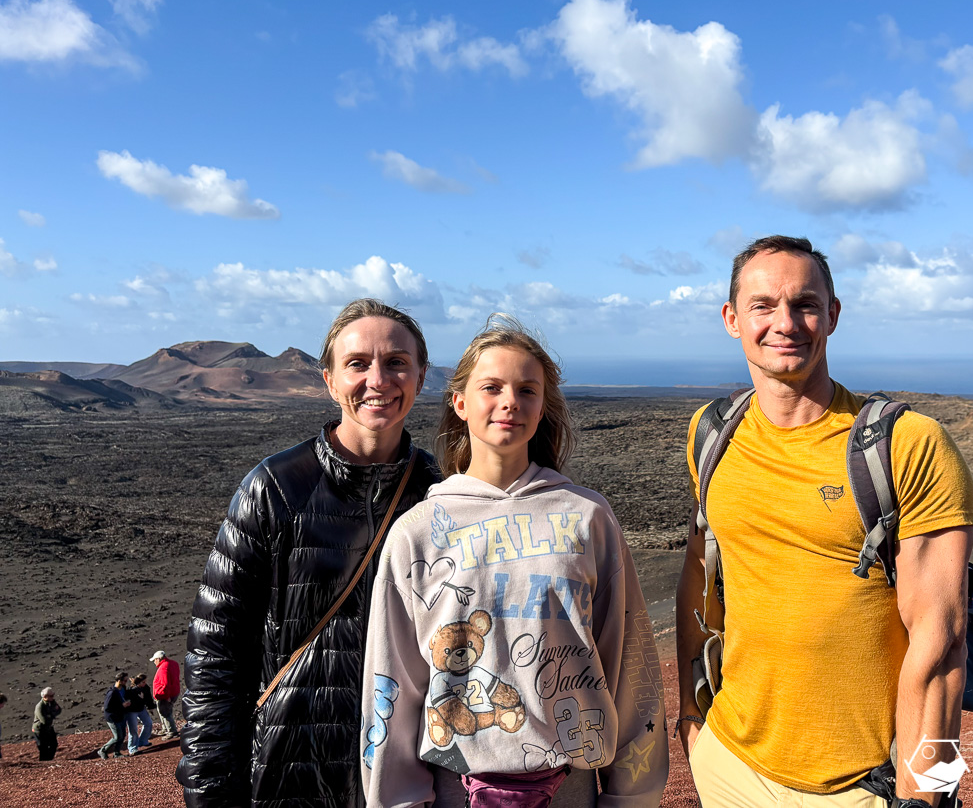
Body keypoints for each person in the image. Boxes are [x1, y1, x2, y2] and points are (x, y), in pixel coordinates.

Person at [675, 236, 973, 808]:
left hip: (862, 788)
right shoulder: (711, 433)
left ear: (833, 315)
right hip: (729, 764)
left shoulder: (909, 445)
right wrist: (693, 718)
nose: (785, 323)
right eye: (763, 305)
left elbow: (942, 647)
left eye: (805, 304)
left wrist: (925, 800)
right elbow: (701, 573)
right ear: (731, 318)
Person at [362, 316, 669, 808]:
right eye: (492, 387)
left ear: (541, 406)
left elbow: (629, 663)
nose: (510, 402)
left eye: (527, 389)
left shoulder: (587, 518)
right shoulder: (417, 533)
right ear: (460, 403)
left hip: (570, 788)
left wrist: (631, 795)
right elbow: (393, 680)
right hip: (452, 792)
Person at [176, 298, 442, 808]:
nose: (378, 380)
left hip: (404, 782)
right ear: (329, 379)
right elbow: (216, 654)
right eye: (358, 363)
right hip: (284, 777)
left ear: (421, 376)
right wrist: (209, 790)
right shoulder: (275, 488)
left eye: (396, 363)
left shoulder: (439, 495)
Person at [100, 672, 131, 759]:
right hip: (113, 717)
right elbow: (107, 708)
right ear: (119, 681)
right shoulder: (112, 693)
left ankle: (117, 753)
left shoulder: (123, 688)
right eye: (125, 680)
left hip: (121, 715)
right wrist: (122, 706)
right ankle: (103, 750)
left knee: (123, 735)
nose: (126, 682)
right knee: (117, 736)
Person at [150, 650, 180, 737]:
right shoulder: (173, 663)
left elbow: (165, 684)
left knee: (165, 713)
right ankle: (165, 728)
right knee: (163, 711)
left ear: (159, 659)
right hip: (174, 691)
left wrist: (166, 696)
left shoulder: (164, 668)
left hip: (165, 694)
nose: (154, 662)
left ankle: (171, 731)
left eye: (155, 660)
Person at [126, 673, 156, 753]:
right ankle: (132, 748)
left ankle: (143, 741)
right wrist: (140, 698)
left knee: (148, 723)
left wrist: (150, 707)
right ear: (139, 682)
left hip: (141, 709)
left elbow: (148, 699)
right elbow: (130, 701)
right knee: (133, 729)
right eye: (143, 682)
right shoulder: (131, 690)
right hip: (132, 711)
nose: (145, 683)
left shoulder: (146, 688)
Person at [32, 687, 62, 761]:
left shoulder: (52, 703)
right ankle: (43, 762)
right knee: (43, 747)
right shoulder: (39, 707)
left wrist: (50, 715)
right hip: (40, 729)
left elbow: (59, 710)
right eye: (51, 696)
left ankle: (49, 760)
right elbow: (44, 720)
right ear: (45, 697)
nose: (53, 697)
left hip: (48, 727)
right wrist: (52, 714)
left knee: (54, 744)